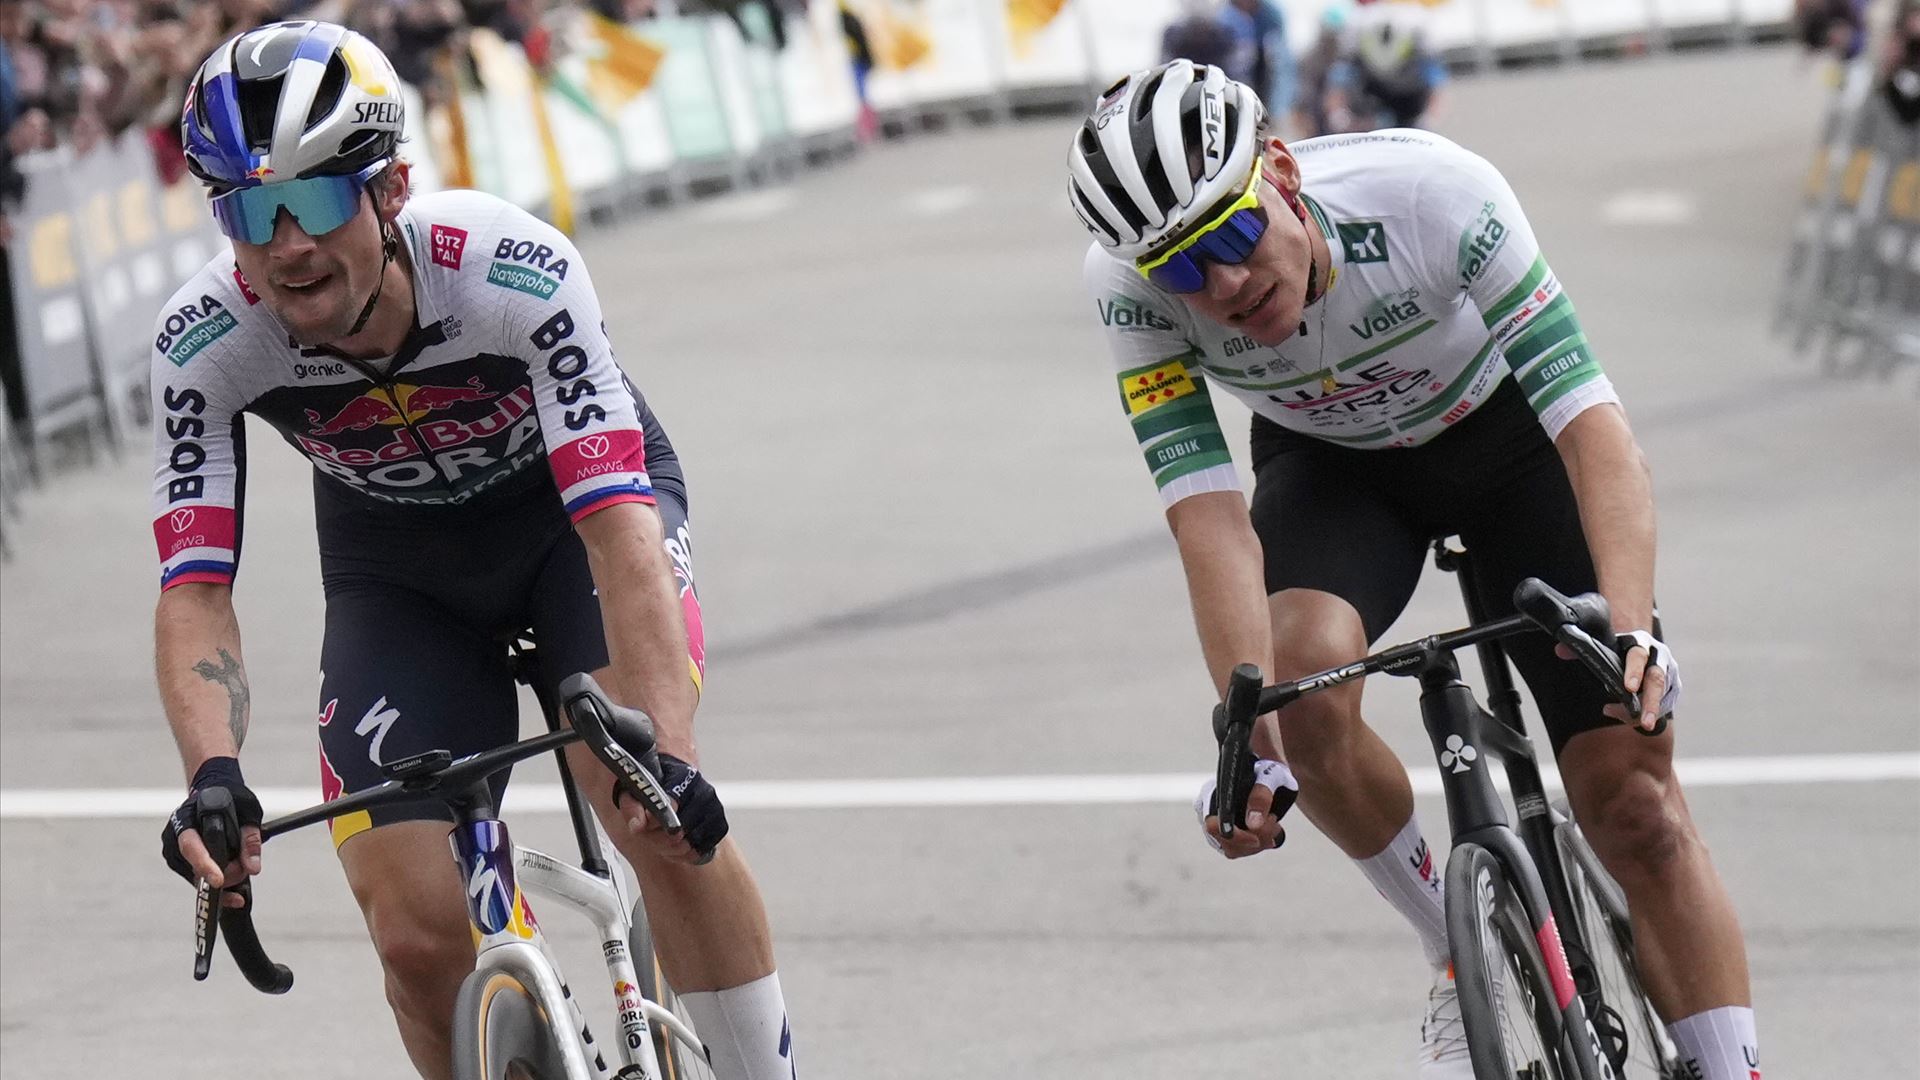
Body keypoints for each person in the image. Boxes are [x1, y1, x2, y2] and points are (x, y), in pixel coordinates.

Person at [1067, 60, 1758, 1079]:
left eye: (1232, 235)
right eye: (1181, 272)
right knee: (1300, 688)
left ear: (1282, 173)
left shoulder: (1433, 194)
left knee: (1638, 810)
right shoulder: (1127, 293)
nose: (1221, 286)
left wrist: (1628, 629)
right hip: (1335, 470)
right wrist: (1250, 738)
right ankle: (1457, 950)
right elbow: (1209, 522)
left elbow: (1593, 432)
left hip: (1510, 442)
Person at [151, 21, 798, 1080]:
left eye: (314, 202)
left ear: (391, 191)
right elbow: (193, 587)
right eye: (248, 213)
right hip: (398, 575)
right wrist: (211, 776)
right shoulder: (206, 341)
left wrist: (669, 756)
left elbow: (614, 522)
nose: (286, 245)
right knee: (415, 933)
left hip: (570, 528)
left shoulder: (509, 271)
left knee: (651, 816)